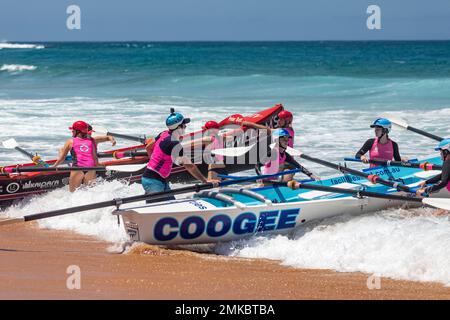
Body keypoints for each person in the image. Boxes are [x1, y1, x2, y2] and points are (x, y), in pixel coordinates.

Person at [142, 110, 219, 202]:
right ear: (178, 127)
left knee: (172, 205)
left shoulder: (163, 134)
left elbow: (148, 147)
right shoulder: (174, 143)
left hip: (157, 179)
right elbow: (189, 166)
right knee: (155, 211)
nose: (185, 127)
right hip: (153, 182)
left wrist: (154, 161)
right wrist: (205, 181)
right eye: (184, 125)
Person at [53, 121, 101, 192]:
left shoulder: (70, 141)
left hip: (77, 168)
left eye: (73, 130)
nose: (72, 132)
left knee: (72, 194)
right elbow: (95, 159)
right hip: (91, 169)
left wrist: (53, 167)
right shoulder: (92, 141)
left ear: (78, 131)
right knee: (91, 193)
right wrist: (102, 166)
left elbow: (62, 158)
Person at [415, 139, 450, 215]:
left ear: (446, 152)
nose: (440, 154)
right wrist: (427, 182)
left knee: (437, 214)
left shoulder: (448, 163)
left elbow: (443, 182)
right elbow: (443, 175)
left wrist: (426, 190)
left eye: (441, 152)